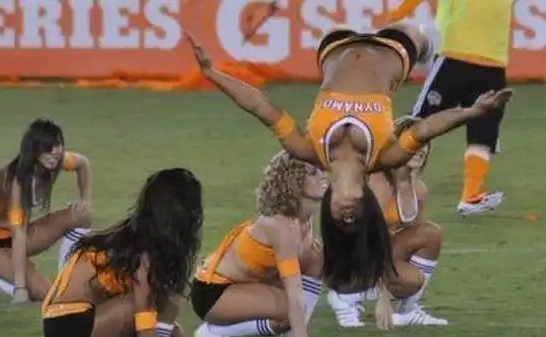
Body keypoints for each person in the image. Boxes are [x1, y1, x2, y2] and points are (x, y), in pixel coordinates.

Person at [184, 27, 512, 294]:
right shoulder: (386, 155)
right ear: (368, 207)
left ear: (328, 214)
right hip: (393, 51)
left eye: (341, 224)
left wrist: (212, 73)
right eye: (356, 221)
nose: (348, 217)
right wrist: (470, 112)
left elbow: (261, 107)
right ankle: (426, 47)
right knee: (416, 34)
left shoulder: (306, 149)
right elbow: (426, 128)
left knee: (337, 29)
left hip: (335, 48)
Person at [42, 168, 203, 337]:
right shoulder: (145, 247)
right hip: (67, 324)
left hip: (84, 321)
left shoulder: (146, 238)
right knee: (152, 309)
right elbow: (144, 319)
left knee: (172, 336)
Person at [191, 151, 335, 337]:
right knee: (288, 311)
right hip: (213, 293)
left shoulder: (304, 218)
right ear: (294, 182)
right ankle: (215, 332)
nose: (322, 175)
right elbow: (294, 291)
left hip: (247, 285)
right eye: (313, 173)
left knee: (316, 257)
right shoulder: (281, 226)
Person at [386, 0, 513, 215]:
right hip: (465, 56)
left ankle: (470, 196)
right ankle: (385, 176)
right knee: (421, 123)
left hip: (482, 59)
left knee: (481, 133)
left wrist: (398, 13)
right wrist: (398, 14)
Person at [329, 116, 446, 327]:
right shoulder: (378, 181)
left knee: (431, 233)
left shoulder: (418, 189)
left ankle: (408, 309)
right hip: (354, 255)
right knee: (411, 280)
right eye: (415, 142)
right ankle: (344, 296)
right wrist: (384, 296)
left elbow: (415, 237)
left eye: (424, 143)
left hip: (382, 251)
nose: (421, 149)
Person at [0, 119, 93, 303]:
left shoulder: (56, 160)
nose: (54, 153)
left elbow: (83, 163)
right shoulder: (16, 181)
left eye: (57, 146)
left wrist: (85, 199)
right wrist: (20, 287)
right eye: (47, 148)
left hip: (17, 231)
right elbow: (19, 233)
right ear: (34, 150)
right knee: (44, 293)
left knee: (83, 215)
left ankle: (67, 279)